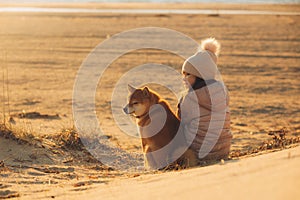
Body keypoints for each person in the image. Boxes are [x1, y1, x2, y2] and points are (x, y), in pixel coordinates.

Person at [177, 38, 232, 164]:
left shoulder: (190, 98)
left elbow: (181, 122)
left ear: (200, 76)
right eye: (183, 74)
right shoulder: (222, 91)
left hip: (199, 153)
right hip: (224, 150)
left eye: (188, 75)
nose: (183, 79)